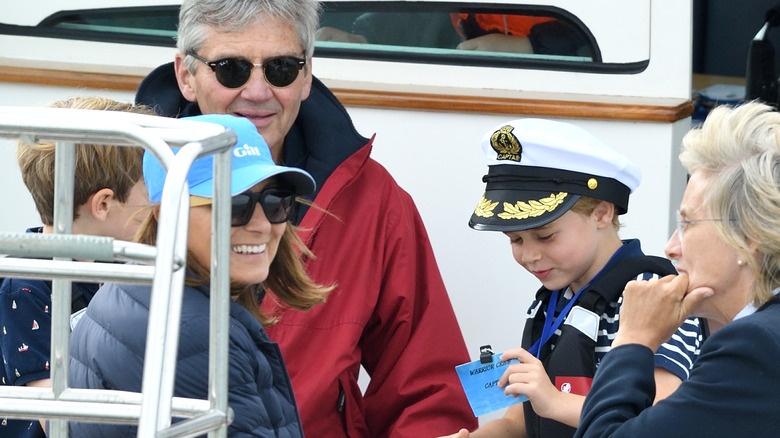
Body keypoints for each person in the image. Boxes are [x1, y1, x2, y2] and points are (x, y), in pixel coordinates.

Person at [134, 0, 477, 436]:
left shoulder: (371, 200)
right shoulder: (124, 187)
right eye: (230, 69)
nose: (257, 92)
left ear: (307, 74)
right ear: (186, 74)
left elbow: (427, 389)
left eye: (281, 68)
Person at [69, 114, 331, 436]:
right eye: (235, 205)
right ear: (168, 214)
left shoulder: (135, 292)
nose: (263, 224)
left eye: (277, 201)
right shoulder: (195, 334)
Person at [440, 119, 703, 438]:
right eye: (516, 240)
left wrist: (555, 401)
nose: (530, 255)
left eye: (546, 236)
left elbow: (660, 418)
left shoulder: (653, 292)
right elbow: (519, 422)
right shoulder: (555, 299)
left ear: (602, 213)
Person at [574, 102, 780, 437]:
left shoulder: (753, 346)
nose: (671, 247)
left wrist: (633, 339)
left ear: (750, 236)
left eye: (688, 224)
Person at [0, 96, 154, 437]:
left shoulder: (117, 263)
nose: (157, 202)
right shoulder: (27, 285)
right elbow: (56, 417)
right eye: (149, 189)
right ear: (103, 204)